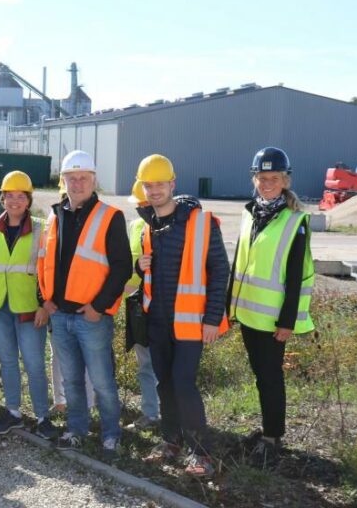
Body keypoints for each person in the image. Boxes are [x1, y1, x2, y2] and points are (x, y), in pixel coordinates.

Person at [135, 154, 229, 477]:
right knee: (164, 384)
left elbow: (220, 271)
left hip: (191, 323)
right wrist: (139, 267)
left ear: (172, 184)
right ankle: (171, 441)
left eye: (160, 184)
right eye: (148, 185)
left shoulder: (200, 222)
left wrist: (213, 319)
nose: (154, 190)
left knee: (183, 384)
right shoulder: (149, 226)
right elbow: (151, 273)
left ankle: (201, 454)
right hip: (159, 322)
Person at [37, 150, 130, 459]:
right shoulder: (55, 214)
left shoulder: (110, 216)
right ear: (63, 181)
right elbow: (44, 262)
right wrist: (46, 300)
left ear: (93, 181)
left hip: (91, 317)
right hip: (60, 315)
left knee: (102, 381)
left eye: (83, 178)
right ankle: (76, 430)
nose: (77, 184)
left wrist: (98, 307)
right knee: (73, 379)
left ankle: (110, 435)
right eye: (71, 178)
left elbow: (121, 268)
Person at [228, 147, 314, 470]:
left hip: (274, 320)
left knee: (270, 378)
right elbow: (240, 260)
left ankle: (272, 439)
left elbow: (295, 276)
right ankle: (268, 430)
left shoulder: (296, 222)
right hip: (249, 314)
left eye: (274, 178)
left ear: (285, 180)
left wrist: (287, 321)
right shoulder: (249, 212)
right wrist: (229, 306)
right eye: (262, 178)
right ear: (255, 179)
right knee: (260, 377)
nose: (267, 184)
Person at [0, 171, 58, 440]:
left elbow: (49, 271)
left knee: (35, 364)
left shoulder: (41, 229)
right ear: (2, 199)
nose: (14, 201)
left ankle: (42, 417)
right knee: (8, 362)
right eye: (9, 196)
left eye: (20, 196)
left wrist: (45, 305)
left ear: (28, 199)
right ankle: (13, 412)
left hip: (29, 309)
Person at [123, 181, 161, 431]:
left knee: (165, 365)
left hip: (164, 307)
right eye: (139, 205)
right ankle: (151, 413)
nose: (141, 209)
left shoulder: (172, 227)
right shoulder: (135, 226)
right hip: (139, 307)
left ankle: (172, 415)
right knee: (145, 364)